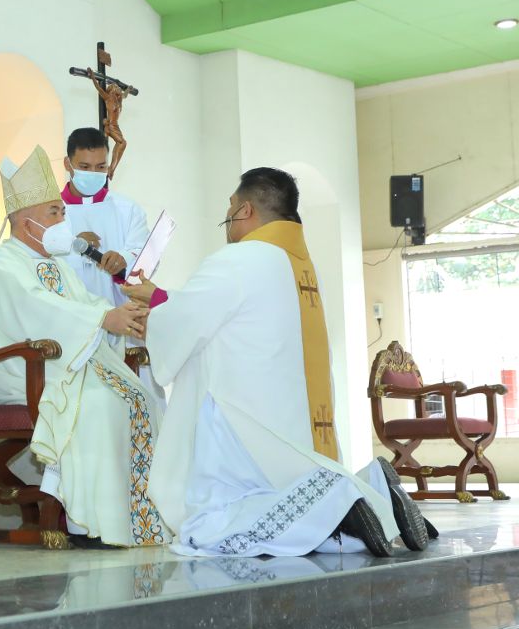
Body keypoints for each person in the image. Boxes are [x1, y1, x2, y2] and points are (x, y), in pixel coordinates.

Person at [123, 168, 430, 558]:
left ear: (245, 209)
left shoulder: (239, 258)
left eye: (230, 210)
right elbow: (213, 314)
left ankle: (342, 495)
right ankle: (372, 489)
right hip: (290, 418)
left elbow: (189, 321)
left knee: (207, 527)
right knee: (307, 526)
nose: (228, 221)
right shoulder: (298, 264)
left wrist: (153, 316)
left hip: (242, 420)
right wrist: (162, 301)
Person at [0, 145, 166, 549]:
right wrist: (101, 320)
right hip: (21, 372)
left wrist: (120, 316)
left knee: (140, 397)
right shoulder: (6, 262)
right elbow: (40, 310)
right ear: (27, 224)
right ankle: (89, 525)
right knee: (97, 404)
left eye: (61, 211)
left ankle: (136, 520)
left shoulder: (57, 262)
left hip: (62, 367)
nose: (64, 219)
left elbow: (83, 304)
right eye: (55, 213)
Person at [60, 127, 150, 307]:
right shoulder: (49, 213)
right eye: (85, 167)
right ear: (67, 164)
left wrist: (124, 259)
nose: (93, 173)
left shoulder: (128, 210)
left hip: (119, 316)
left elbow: (146, 256)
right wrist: (71, 248)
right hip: (70, 317)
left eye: (101, 167)